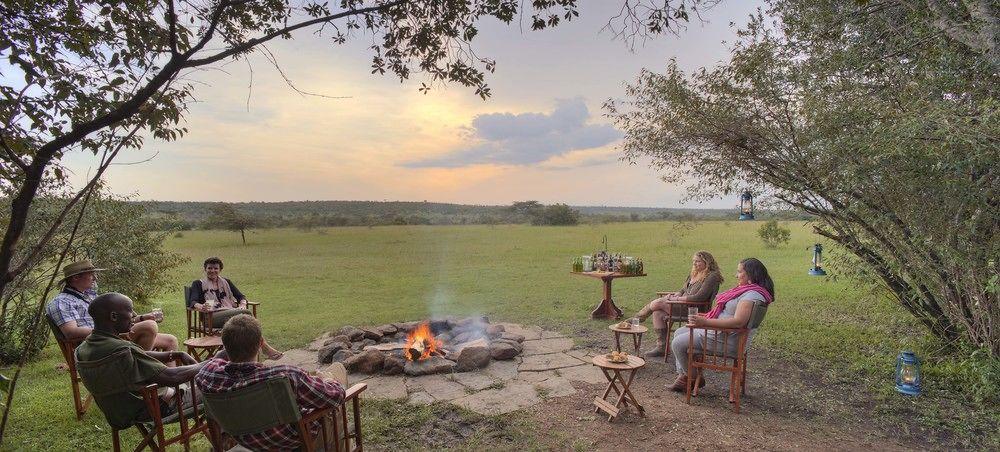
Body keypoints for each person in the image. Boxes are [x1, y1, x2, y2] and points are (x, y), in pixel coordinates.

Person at [195, 314, 345, 450]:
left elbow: (215, 361)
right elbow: (336, 395)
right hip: (295, 442)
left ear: (225, 345)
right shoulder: (286, 376)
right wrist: (329, 379)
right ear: (261, 344)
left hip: (248, 441)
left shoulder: (207, 375)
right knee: (338, 372)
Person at [75, 292, 212, 429]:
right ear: (114, 316)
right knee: (221, 383)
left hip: (120, 413)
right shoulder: (122, 349)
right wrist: (212, 362)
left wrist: (174, 354)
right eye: (130, 310)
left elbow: (139, 354)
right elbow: (173, 376)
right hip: (156, 409)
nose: (134, 315)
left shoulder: (84, 348)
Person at [667, 257, 774, 392]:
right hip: (722, 334)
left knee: (677, 343)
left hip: (725, 340)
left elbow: (738, 322)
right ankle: (685, 375)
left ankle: (692, 377)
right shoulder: (751, 291)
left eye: (740, 272)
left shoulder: (751, 296)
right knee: (679, 332)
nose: (736, 275)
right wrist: (705, 317)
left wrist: (705, 322)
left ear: (751, 275)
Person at [47, 259, 177, 352]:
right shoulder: (62, 302)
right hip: (95, 345)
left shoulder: (90, 296)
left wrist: (142, 318)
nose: (95, 278)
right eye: (91, 274)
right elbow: (71, 332)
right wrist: (110, 332)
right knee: (149, 326)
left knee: (170, 340)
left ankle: (171, 388)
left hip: (113, 338)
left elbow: (117, 321)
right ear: (75, 278)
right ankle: (136, 369)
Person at [188, 256, 282, 359]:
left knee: (246, 322)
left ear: (220, 270)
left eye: (216, 268)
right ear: (205, 269)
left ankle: (248, 355)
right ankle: (264, 347)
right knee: (246, 314)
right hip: (211, 318)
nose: (212, 270)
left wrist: (242, 304)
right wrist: (201, 306)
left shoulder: (226, 282)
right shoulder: (198, 283)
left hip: (230, 313)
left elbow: (241, 296)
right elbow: (193, 301)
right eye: (210, 268)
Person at [633, 251, 724, 358]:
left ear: (707, 262)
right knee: (657, 313)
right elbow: (682, 289)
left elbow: (699, 297)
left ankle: (637, 319)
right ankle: (661, 347)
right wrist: (676, 294)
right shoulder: (694, 273)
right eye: (693, 261)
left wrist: (676, 299)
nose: (694, 264)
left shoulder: (711, 276)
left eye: (698, 261)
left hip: (695, 309)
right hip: (682, 305)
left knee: (658, 302)